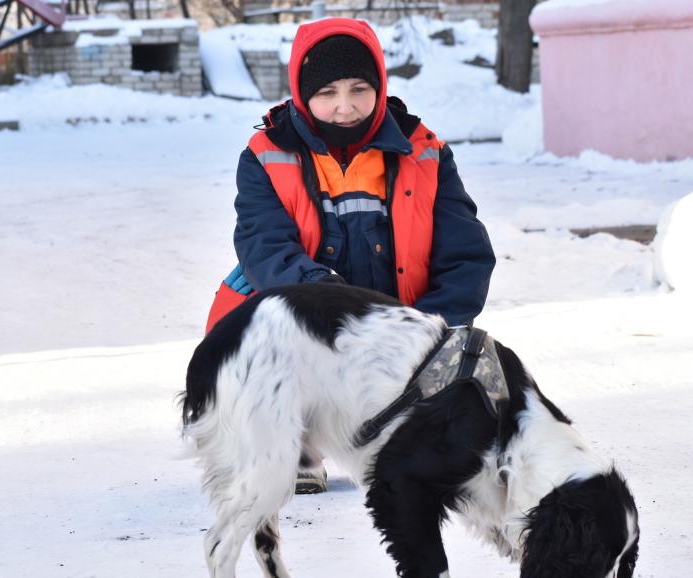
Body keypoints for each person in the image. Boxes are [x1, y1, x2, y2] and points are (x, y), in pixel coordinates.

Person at [205, 17, 496, 493]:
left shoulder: (425, 153)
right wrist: (332, 308)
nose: (345, 107)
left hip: (399, 322)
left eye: (360, 89)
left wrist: (425, 330)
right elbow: (265, 246)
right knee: (265, 324)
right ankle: (294, 441)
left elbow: (466, 256)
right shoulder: (266, 154)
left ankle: (404, 430)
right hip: (310, 317)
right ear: (303, 94)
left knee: (471, 378)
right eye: (327, 93)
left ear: (380, 85)